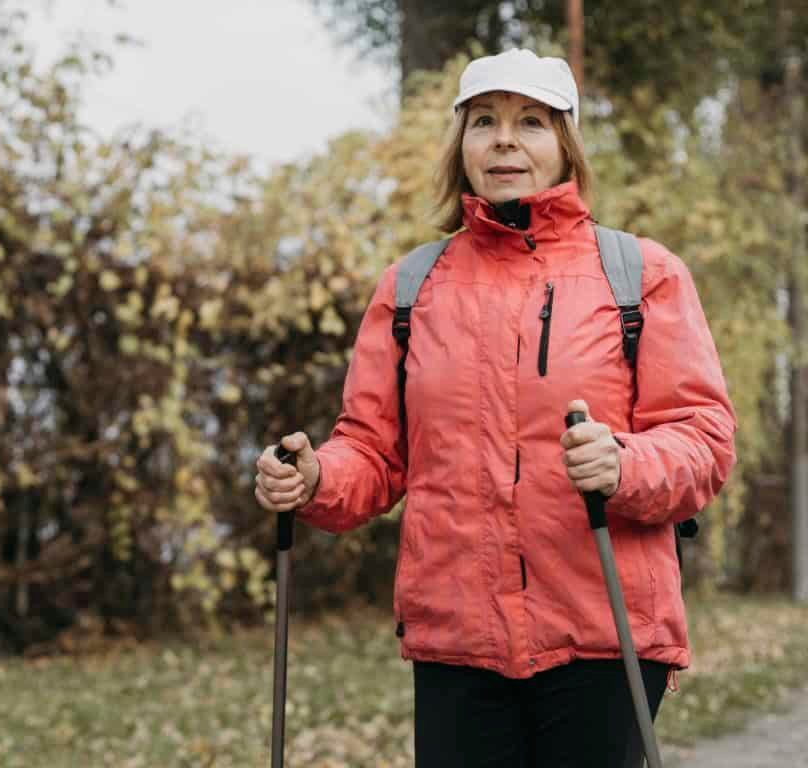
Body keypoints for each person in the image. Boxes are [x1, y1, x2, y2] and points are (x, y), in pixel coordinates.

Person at [254, 47, 736, 768]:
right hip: (458, 638)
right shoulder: (411, 286)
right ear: (462, 147)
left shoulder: (641, 275)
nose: (505, 139)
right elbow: (375, 451)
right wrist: (317, 478)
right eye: (485, 121)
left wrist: (624, 463)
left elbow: (703, 439)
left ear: (565, 144)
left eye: (531, 122)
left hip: (603, 632)